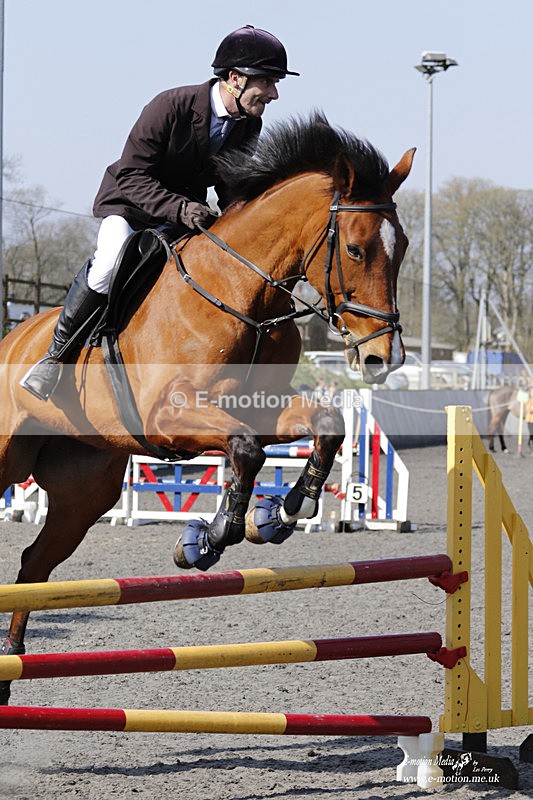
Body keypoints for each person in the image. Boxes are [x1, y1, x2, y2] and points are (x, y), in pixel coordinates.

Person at [20, 24, 299, 401]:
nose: (274, 93)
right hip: (130, 205)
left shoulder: (249, 124)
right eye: (266, 82)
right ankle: (55, 357)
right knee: (107, 265)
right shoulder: (171, 105)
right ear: (234, 79)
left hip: (181, 217)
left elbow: (230, 186)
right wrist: (181, 208)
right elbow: (132, 173)